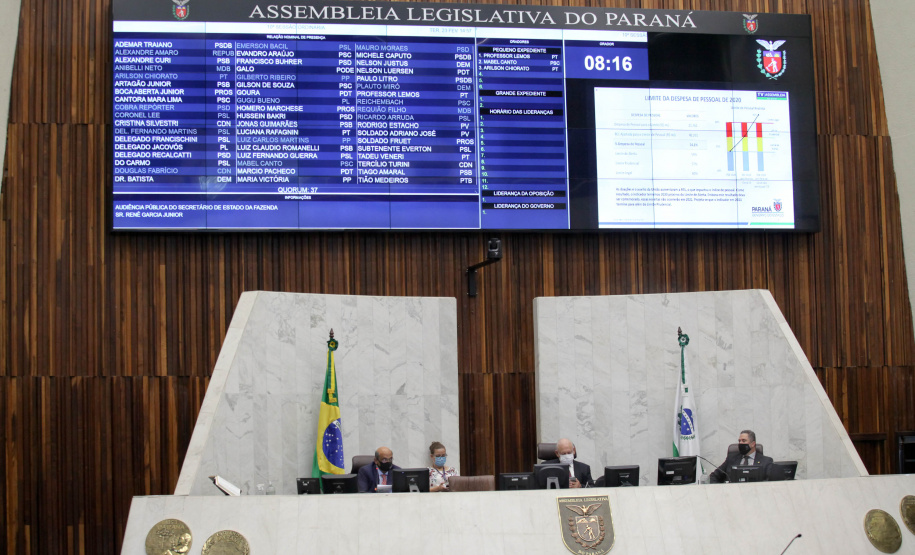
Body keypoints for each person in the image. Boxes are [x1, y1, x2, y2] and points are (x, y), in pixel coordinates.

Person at [710, 429, 774, 483]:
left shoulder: (766, 461)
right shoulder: (731, 459)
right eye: (739, 441)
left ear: (753, 444)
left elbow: (770, 481)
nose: (740, 443)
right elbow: (714, 476)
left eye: (744, 441)